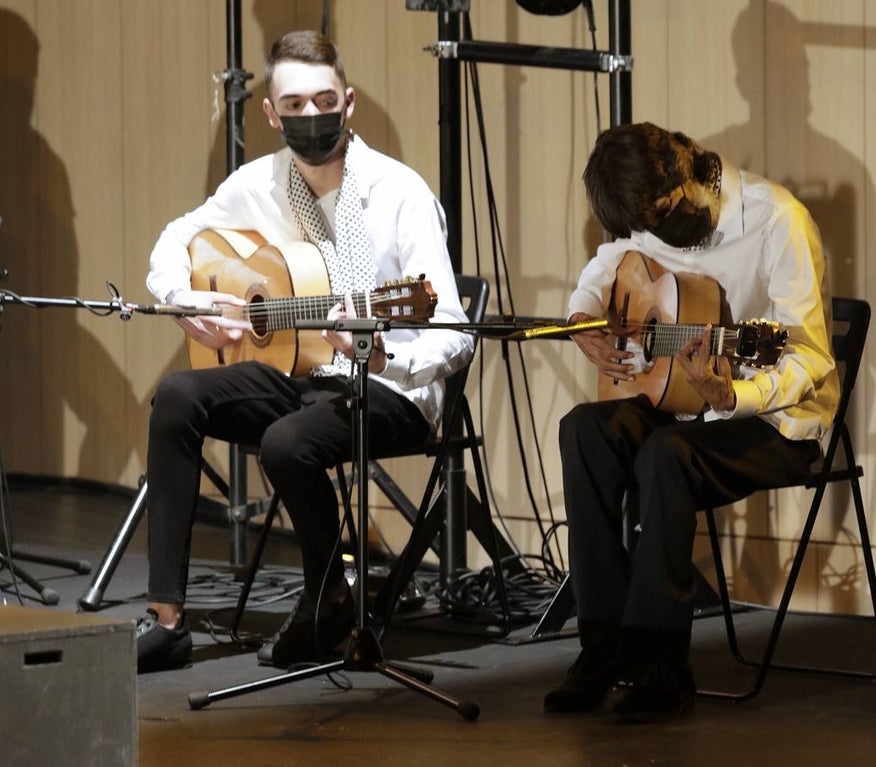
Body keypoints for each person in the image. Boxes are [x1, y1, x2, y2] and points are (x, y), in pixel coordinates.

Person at [135, 30, 474, 673]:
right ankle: (167, 619)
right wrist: (183, 296)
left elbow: (454, 330)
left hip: (391, 386)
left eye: (324, 101)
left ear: (348, 103)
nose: (311, 117)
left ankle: (328, 603)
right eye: (293, 105)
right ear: (271, 113)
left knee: (288, 442)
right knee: (178, 395)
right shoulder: (257, 183)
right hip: (299, 371)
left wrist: (381, 356)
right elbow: (179, 236)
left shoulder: (400, 193)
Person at [546, 122, 838, 723]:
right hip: (679, 405)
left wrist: (733, 394)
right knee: (585, 429)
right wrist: (582, 319)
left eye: (657, 218)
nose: (651, 236)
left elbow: (811, 358)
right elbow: (607, 264)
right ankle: (600, 652)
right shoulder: (645, 218)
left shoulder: (777, 219)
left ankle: (660, 670)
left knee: (667, 456)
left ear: (683, 175)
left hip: (775, 422)